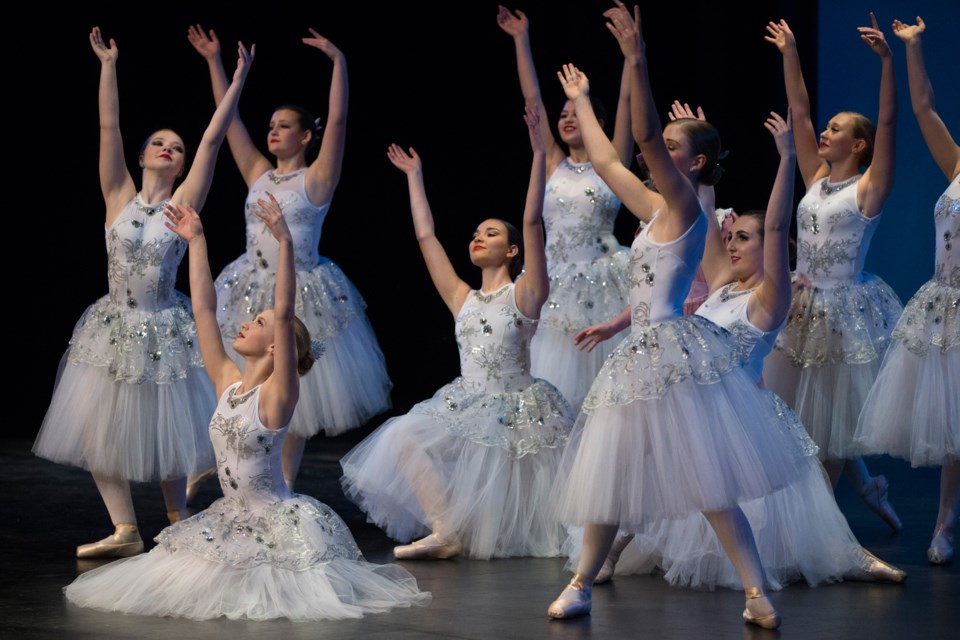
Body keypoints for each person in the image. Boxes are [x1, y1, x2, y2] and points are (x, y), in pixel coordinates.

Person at [545, 4, 815, 628]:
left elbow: (637, 141)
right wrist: (583, 99)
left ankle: (755, 592)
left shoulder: (689, 209)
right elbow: (612, 164)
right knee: (610, 474)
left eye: (673, 148)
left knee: (710, 486)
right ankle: (583, 580)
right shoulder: (655, 211)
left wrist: (636, 61)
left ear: (692, 165)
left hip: (672, 352)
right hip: (638, 355)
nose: (658, 153)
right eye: (663, 148)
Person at [572, 110, 906, 591]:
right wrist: (701, 168)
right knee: (651, 461)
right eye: (731, 238)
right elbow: (694, 231)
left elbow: (775, 227)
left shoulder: (771, 298)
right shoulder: (720, 290)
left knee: (773, 525)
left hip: (743, 426)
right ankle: (606, 553)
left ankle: (850, 558)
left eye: (742, 239)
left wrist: (788, 157)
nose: (731, 246)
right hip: (707, 412)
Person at [62, 194, 430, 621]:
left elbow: (287, 309)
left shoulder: (278, 395)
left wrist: (286, 244)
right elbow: (202, 307)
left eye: (258, 323)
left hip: (275, 525)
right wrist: (196, 240)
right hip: (228, 521)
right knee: (177, 580)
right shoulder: (227, 382)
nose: (245, 322)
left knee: (259, 592)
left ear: (276, 346)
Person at [32, 28, 252, 557]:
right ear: (144, 154)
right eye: (160, 142)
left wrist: (238, 78)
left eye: (176, 148)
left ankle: (177, 521)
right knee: (96, 431)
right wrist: (108, 64)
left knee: (169, 432)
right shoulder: (118, 195)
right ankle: (126, 531)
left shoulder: (183, 203)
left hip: (165, 325)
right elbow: (109, 124)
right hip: (111, 326)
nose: (169, 149)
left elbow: (213, 141)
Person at [339, 107, 574, 561]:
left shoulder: (526, 293)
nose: (477, 238)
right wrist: (414, 177)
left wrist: (540, 153)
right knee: (404, 436)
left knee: (526, 503)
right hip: (469, 400)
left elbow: (532, 223)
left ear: (510, 250)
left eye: (490, 233)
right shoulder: (461, 297)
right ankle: (447, 530)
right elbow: (427, 238)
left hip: (517, 407)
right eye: (474, 234)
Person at [187, 25, 392, 490]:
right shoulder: (258, 172)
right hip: (245, 283)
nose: (273, 131)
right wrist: (216, 63)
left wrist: (339, 63)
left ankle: (281, 485)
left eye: (284, 126)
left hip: (299, 289)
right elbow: (230, 122)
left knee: (290, 396)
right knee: (236, 378)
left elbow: (337, 124)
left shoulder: (316, 179)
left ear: (305, 137)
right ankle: (228, 462)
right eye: (272, 125)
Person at [761, 15, 905, 533]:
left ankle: (815, 522)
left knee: (833, 427)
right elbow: (800, 112)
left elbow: (889, 125)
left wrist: (888, 63)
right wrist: (790, 51)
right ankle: (862, 489)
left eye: (837, 129)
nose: (825, 132)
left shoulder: (868, 188)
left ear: (860, 146)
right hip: (798, 305)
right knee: (789, 414)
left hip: (843, 312)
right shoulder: (817, 178)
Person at [854, 16, 959, 565]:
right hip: (947, 305)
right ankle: (943, 523)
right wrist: (911, 47)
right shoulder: (959, 166)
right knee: (952, 431)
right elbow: (923, 109)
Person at [497, 5, 636, 412]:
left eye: (577, 112)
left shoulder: (613, 161)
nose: (567, 118)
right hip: (553, 283)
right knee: (550, 385)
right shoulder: (552, 162)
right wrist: (521, 39)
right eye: (563, 115)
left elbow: (629, 104)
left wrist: (631, 57)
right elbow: (533, 101)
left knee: (600, 393)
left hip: (604, 282)